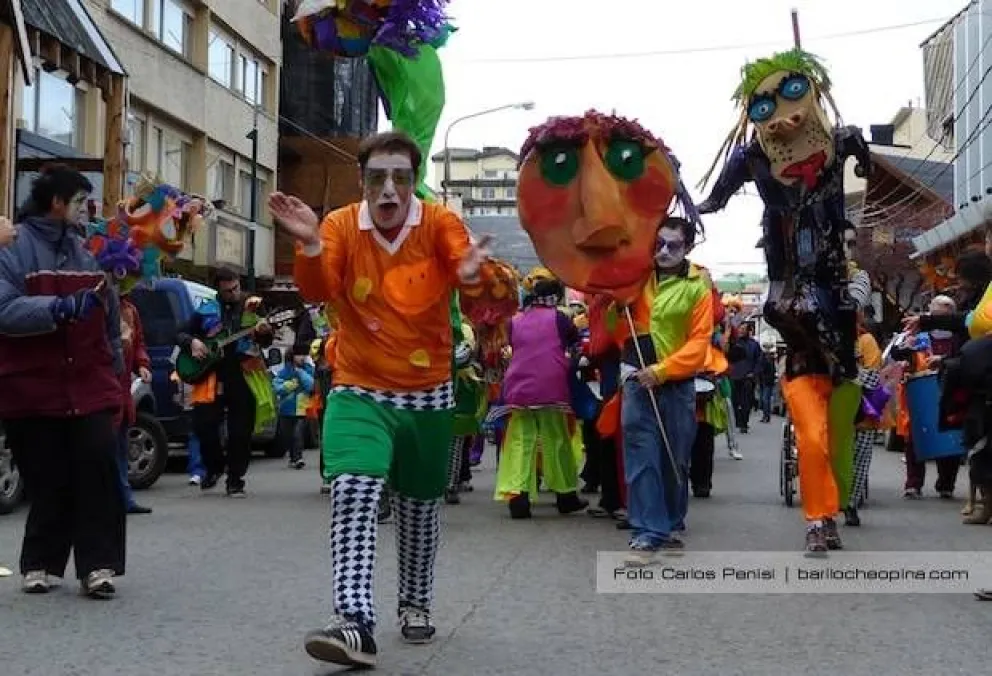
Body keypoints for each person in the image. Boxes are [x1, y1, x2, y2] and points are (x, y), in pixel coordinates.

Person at [269, 130, 491, 668]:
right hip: (358, 385)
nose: (389, 190)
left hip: (428, 393)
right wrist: (311, 246)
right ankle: (353, 623)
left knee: (419, 506)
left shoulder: (439, 223)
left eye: (401, 178)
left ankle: (415, 601)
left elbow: (471, 275)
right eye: (377, 178)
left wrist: (471, 277)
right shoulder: (341, 225)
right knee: (353, 491)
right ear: (362, 181)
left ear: (413, 182)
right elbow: (319, 289)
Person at [0, 165, 126, 598]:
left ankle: (99, 566)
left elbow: (110, 318)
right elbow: (4, 310)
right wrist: (59, 308)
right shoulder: (12, 246)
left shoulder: (91, 249)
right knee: (47, 477)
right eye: (79, 201)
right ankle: (40, 563)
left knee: (98, 469)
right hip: (32, 387)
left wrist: (117, 373)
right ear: (56, 202)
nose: (85, 210)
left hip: (90, 382)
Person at [620, 217, 715, 563]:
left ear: (687, 247)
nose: (663, 251)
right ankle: (647, 530)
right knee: (641, 456)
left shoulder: (697, 286)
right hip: (635, 378)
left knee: (675, 458)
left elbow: (700, 342)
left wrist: (662, 371)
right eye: (658, 243)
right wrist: (613, 307)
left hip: (676, 383)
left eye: (672, 246)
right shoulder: (635, 277)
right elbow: (615, 325)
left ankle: (671, 521)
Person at [494, 268, 587, 519]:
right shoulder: (560, 319)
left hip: (518, 388)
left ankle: (518, 498)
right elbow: (575, 345)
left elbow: (509, 346)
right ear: (556, 297)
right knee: (555, 440)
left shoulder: (514, 320)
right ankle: (566, 496)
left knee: (519, 441)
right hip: (551, 387)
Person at [176, 267, 275, 497]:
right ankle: (214, 467)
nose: (234, 293)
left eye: (236, 288)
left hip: (243, 373)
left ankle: (235, 479)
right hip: (212, 374)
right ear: (218, 290)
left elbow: (266, 341)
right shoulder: (206, 308)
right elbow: (180, 333)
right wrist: (192, 342)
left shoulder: (254, 305)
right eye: (228, 290)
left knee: (241, 431)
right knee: (203, 426)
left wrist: (263, 332)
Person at [274, 345, 316, 470]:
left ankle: (298, 458)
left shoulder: (308, 369)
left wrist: (300, 373)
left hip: (302, 408)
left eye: (303, 354)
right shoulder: (284, 371)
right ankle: (293, 458)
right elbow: (277, 387)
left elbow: (311, 385)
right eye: (298, 355)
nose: (302, 357)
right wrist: (288, 385)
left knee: (298, 433)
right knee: (288, 435)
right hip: (286, 409)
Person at [727, 323, 761, 433]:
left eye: (743, 329)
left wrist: (753, 373)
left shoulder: (754, 345)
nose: (741, 331)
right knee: (735, 400)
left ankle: (744, 423)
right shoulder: (734, 342)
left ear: (748, 331)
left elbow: (758, 361)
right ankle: (737, 421)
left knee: (746, 402)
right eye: (740, 328)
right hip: (734, 376)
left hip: (747, 377)